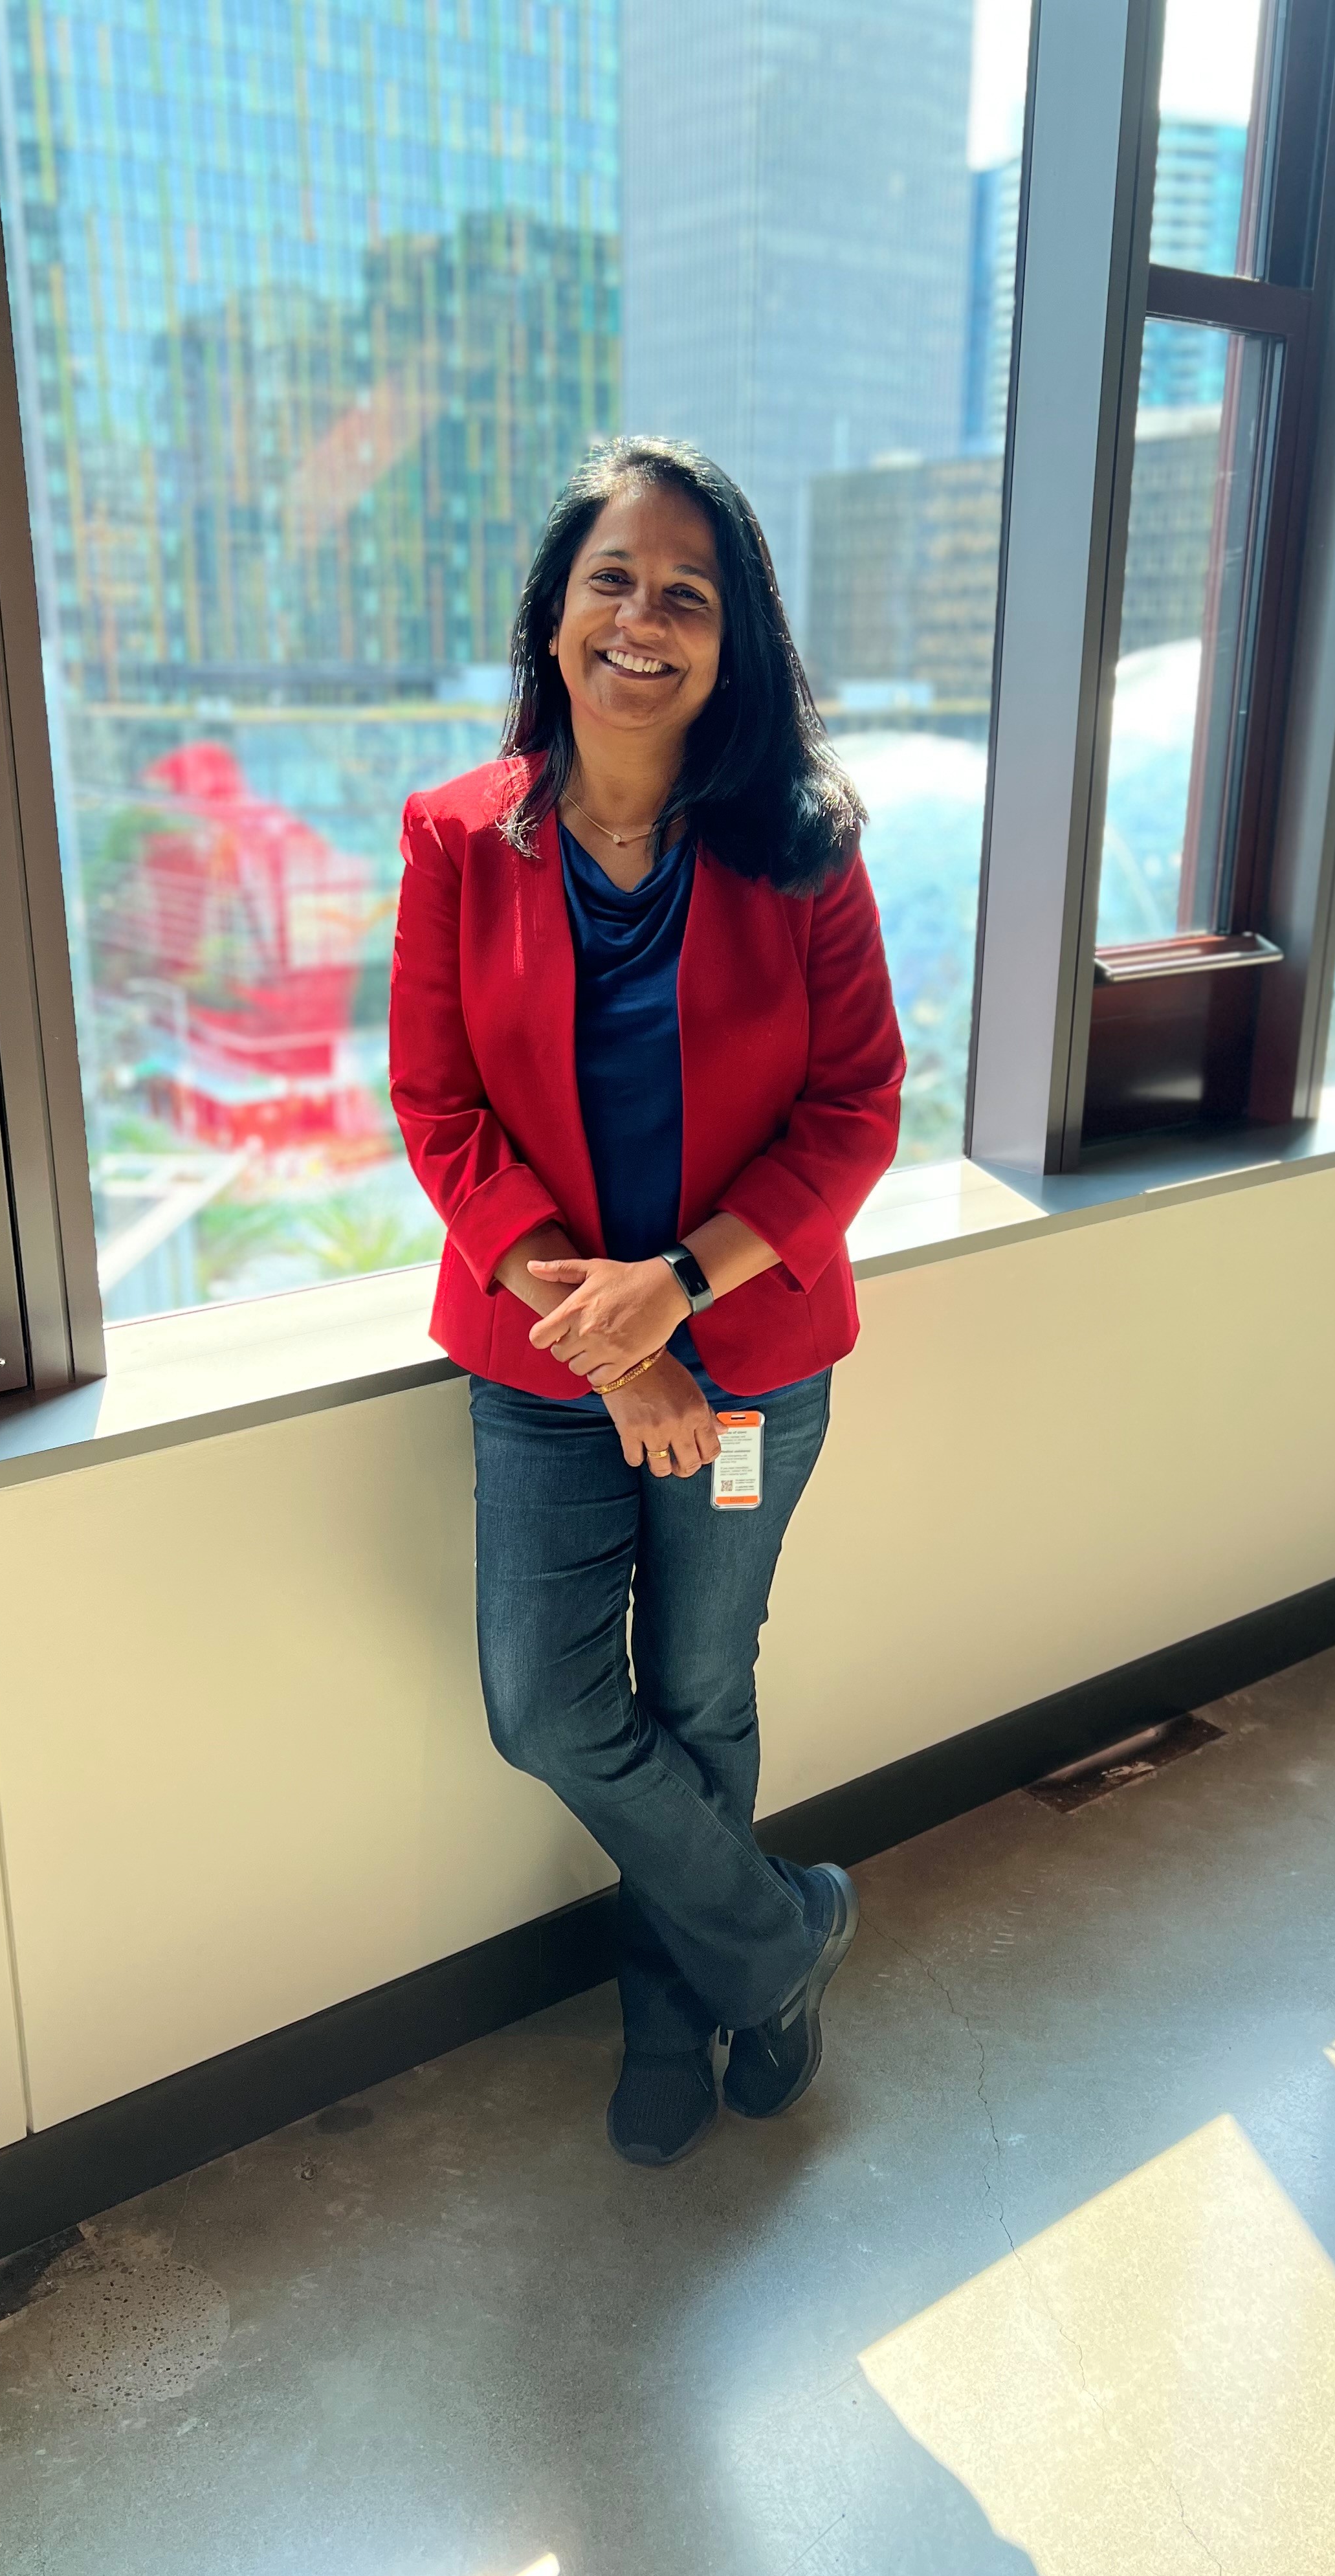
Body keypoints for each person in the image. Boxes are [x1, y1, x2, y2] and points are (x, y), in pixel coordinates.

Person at [388, 436, 904, 2168]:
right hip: (544, 1372)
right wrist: (607, 1345)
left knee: (701, 1685)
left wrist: (676, 1295)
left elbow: (856, 1112)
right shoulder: (458, 841)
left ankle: (674, 2006)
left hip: (752, 1366)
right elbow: (438, 1111)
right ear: (555, 618)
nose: (645, 618)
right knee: (546, 1706)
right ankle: (779, 1936)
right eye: (613, 578)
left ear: (731, 643)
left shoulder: (805, 847)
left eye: (689, 593)